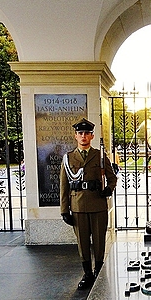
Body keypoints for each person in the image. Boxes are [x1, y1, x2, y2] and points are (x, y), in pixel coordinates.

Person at [60, 118, 117, 290]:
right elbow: (64, 185)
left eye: (86, 133)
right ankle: (87, 274)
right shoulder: (68, 158)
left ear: (92, 136)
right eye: (80, 133)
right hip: (78, 206)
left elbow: (112, 178)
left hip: (98, 205)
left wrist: (108, 189)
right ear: (75, 136)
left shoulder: (100, 156)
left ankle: (98, 271)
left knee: (99, 241)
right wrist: (64, 210)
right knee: (83, 242)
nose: (83, 136)